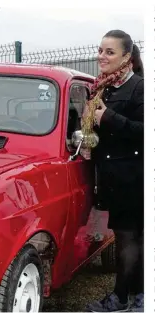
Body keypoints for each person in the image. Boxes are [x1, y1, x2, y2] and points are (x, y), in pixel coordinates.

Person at [82, 30, 144, 312]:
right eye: (100, 50)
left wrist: (108, 117)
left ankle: (124, 298)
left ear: (126, 57)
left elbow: (144, 132)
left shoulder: (140, 88)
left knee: (130, 239)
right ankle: (135, 295)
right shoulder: (103, 88)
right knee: (127, 239)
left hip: (134, 179)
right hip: (113, 179)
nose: (101, 56)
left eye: (110, 52)